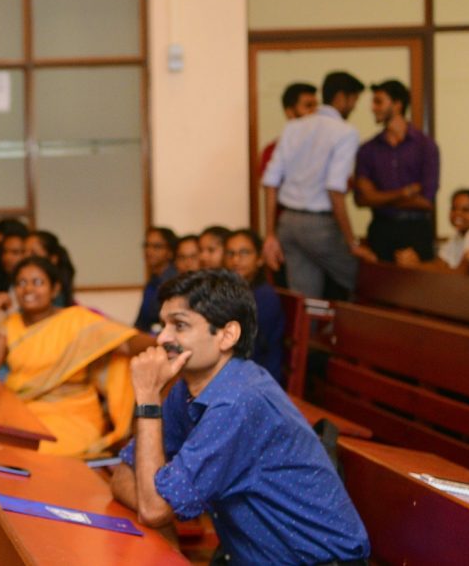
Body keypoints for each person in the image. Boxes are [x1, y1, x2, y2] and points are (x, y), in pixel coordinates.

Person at [110, 270, 370, 565]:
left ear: (227, 335)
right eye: (163, 324)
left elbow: (154, 508)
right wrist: (153, 503)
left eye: (179, 325)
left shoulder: (239, 401)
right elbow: (124, 477)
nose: (162, 338)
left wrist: (147, 398)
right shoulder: (187, 390)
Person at [0, 257, 139, 457]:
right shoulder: (11, 323)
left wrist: (165, 345)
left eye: (38, 282)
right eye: (21, 283)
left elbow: (127, 341)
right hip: (23, 409)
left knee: (28, 452)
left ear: (55, 289)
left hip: (72, 416)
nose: (28, 289)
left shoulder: (77, 319)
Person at [262, 71, 376, 299]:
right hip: (319, 226)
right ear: (342, 97)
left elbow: (270, 181)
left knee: (305, 299)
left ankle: (308, 325)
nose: (354, 107)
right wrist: (352, 242)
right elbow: (335, 188)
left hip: (288, 224)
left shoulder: (293, 127)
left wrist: (270, 234)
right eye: (354, 100)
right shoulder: (346, 132)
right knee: (367, 282)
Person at [354, 80, 440, 262]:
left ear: (397, 104)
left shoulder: (425, 146)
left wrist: (379, 198)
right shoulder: (368, 149)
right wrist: (404, 193)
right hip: (381, 228)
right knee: (381, 279)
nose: (373, 108)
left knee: (419, 279)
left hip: (416, 229)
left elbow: (426, 201)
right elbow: (362, 199)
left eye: (378, 102)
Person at [224, 229, 285, 384]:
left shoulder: (264, 297)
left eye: (244, 253)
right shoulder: (232, 292)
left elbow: (250, 349)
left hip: (259, 379)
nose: (236, 260)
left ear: (259, 259)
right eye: (230, 253)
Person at [397, 188, 469, 278]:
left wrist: (416, 266)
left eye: (465, 210)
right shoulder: (459, 235)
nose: (457, 214)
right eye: (454, 208)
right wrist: (414, 263)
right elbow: (440, 264)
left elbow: (462, 274)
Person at [258, 82, 319, 177]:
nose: (315, 112)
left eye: (316, 106)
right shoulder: (272, 151)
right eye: (308, 106)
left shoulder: (327, 145)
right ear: (290, 112)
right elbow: (269, 183)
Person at [134, 227, 179, 333]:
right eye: (146, 245)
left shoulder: (174, 281)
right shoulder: (153, 281)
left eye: (156, 246)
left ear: (170, 252)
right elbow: (142, 322)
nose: (149, 251)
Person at [25, 230, 76, 307]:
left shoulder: (57, 298)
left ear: (53, 258)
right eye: (23, 252)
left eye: (33, 253)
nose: (26, 257)